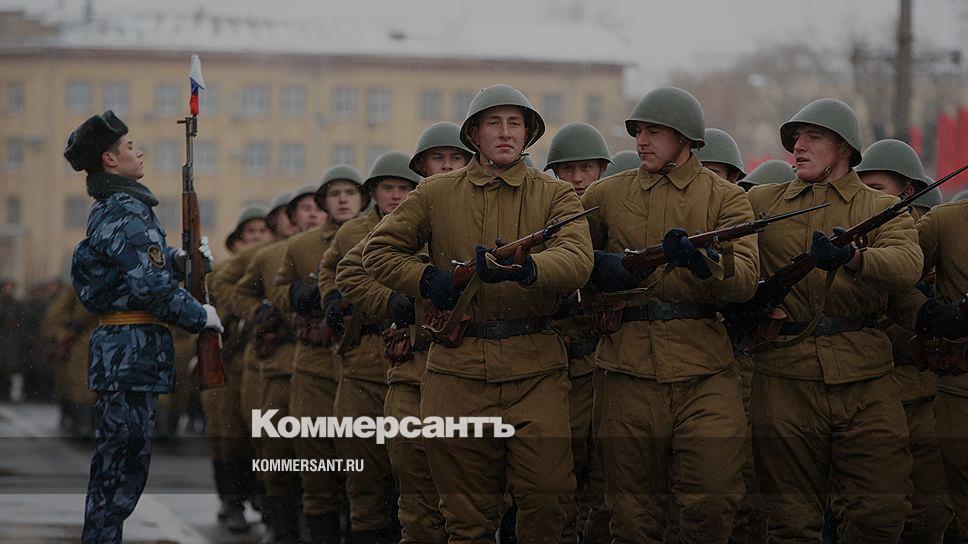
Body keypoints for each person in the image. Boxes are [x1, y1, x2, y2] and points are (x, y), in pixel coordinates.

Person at [363, 84, 593, 543]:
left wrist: (530, 269)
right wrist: (428, 280)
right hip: (457, 371)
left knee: (548, 499)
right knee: (466, 518)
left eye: (515, 123)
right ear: (474, 134)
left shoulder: (554, 195)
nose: (505, 133)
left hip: (536, 370)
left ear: (527, 134)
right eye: (494, 123)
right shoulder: (435, 193)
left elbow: (578, 259)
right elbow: (379, 252)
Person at [581, 87, 757, 542]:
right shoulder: (606, 195)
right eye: (638, 131)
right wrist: (602, 267)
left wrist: (705, 263)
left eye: (654, 132)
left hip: (704, 369)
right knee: (631, 516)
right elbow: (569, 260)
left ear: (684, 138)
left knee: (713, 501)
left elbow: (745, 280)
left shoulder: (725, 199)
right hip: (625, 370)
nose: (641, 141)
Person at [745, 99, 919, 541]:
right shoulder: (763, 202)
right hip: (785, 377)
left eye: (813, 137)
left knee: (881, 512)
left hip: (865, 377)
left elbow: (906, 264)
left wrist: (854, 258)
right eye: (795, 139)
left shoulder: (881, 207)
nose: (798, 147)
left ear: (844, 147)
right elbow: (732, 260)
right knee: (790, 521)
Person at [65, 111, 223, 544]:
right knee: (120, 471)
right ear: (109, 159)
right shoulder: (127, 209)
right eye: (129, 146)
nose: (138, 151)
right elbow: (149, 287)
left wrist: (178, 260)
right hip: (130, 353)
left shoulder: (116, 208)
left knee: (119, 467)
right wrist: (200, 316)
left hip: (127, 352)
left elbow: (131, 266)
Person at [334, 123, 471, 544]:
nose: (446, 166)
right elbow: (351, 270)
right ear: (422, 167)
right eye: (437, 159)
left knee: (475, 500)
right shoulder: (412, 214)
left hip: (474, 371)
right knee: (410, 494)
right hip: (413, 368)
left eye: (456, 158)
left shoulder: (486, 208)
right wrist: (395, 301)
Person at [856, 139, 955, 542]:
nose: (866, 197)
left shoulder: (928, 243)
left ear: (908, 193)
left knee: (932, 511)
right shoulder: (852, 245)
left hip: (924, 394)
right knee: (871, 511)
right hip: (868, 393)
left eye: (876, 188)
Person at [319, 151, 421, 543]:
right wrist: (331, 298)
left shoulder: (427, 225)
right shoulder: (352, 233)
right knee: (363, 477)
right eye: (387, 187)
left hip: (414, 358)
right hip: (362, 362)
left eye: (403, 187)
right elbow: (331, 268)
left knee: (412, 477)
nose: (395, 195)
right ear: (373, 192)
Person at [274, 164, 366, 543]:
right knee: (317, 469)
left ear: (363, 198)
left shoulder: (381, 235)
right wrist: (295, 294)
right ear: (324, 202)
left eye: (351, 192)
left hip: (364, 363)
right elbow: (278, 289)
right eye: (335, 194)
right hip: (315, 367)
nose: (343, 200)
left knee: (366, 474)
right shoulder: (302, 245)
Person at [543, 121, 612, 543]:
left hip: (606, 361)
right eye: (567, 169)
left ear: (602, 170)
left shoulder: (614, 216)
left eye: (586, 168)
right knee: (555, 476)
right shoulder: (542, 216)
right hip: (555, 365)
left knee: (605, 478)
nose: (577, 178)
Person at [202, 202, 269, 533]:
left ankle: (260, 497)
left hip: (259, 364)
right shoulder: (221, 276)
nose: (256, 238)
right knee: (228, 436)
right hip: (227, 365)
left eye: (262, 231)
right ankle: (232, 501)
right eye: (249, 232)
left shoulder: (273, 268)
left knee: (262, 436)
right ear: (237, 241)